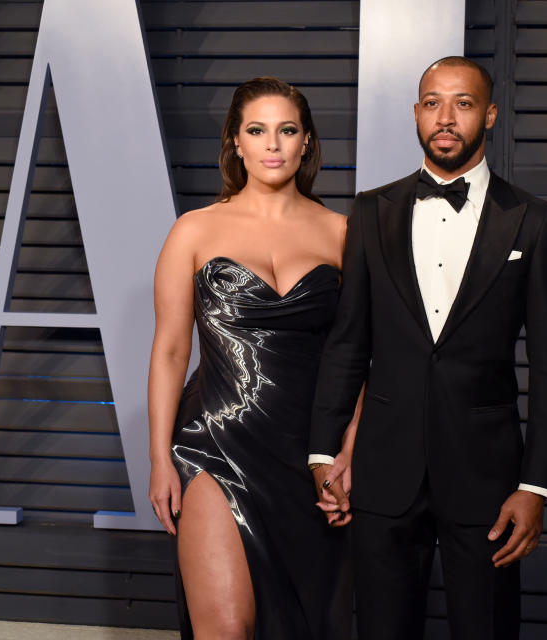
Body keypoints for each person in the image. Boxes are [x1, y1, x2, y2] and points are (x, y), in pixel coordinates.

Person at [309, 57, 547, 639]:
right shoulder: (371, 212)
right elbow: (348, 341)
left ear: (490, 115)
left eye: (463, 103)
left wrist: (535, 487)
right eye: (432, 103)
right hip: (382, 471)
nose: (446, 117)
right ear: (416, 114)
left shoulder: (535, 222)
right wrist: (323, 450)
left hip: (488, 477)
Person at [148, 77, 356, 640]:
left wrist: (348, 451)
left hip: (309, 454)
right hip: (213, 443)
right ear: (235, 143)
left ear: (306, 142)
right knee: (227, 627)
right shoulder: (193, 230)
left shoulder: (342, 233)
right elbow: (170, 350)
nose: (273, 144)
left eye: (287, 130)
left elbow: (364, 355)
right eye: (257, 130)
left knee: (308, 623)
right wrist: (159, 459)